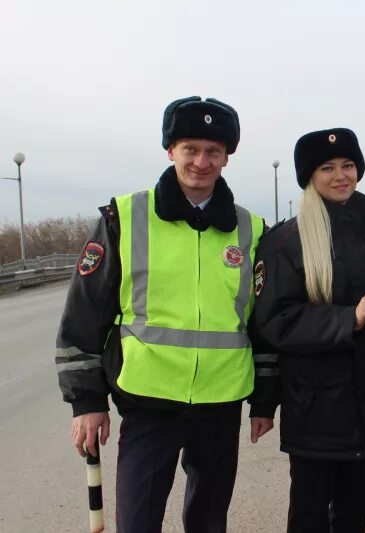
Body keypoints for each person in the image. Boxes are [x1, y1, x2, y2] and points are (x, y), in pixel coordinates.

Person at [55, 96, 271, 533]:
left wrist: (264, 399)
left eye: (213, 152)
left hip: (219, 402)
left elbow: (261, 324)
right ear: (170, 150)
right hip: (147, 402)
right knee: (137, 522)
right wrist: (87, 401)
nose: (201, 161)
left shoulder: (251, 230)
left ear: (227, 157)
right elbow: (83, 316)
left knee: (209, 522)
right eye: (190, 148)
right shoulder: (125, 217)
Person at [248, 127, 365, 532]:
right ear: (309, 177)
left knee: (354, 515)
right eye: (327, 167)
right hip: (314, 407)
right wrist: (350, 317)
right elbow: (275, 321)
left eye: (348, 165)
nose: (340, 175)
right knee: (309, 517)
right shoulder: (285, 241)